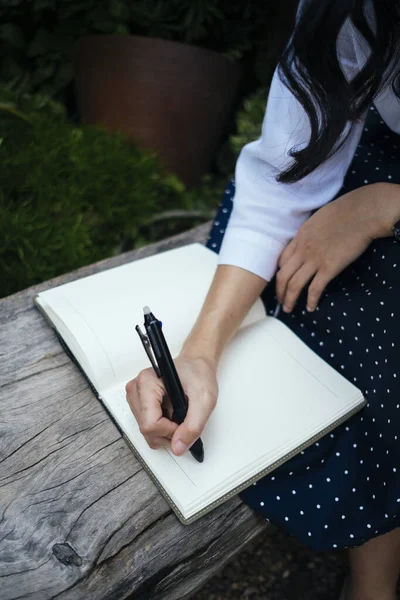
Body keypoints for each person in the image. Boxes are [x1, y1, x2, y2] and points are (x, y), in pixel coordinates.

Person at [125, 2, 400, 598]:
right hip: (376, 160)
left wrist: (384, 207)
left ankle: (375, 577)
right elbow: (282, 181)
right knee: (295, 284)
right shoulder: (349, 11)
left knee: (379, 338)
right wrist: (200, 352)